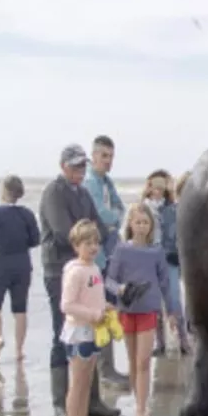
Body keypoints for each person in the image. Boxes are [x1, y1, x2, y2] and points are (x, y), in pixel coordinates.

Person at [40, 145, 118, 416]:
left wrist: (102, 244)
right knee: (63, 334)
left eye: (82, 167)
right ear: (63, 166)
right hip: (60, 270)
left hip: (87, 269)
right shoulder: (53, 192)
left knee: (92, 333)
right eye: (75, 167)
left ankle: (92, 401)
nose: (80, 172)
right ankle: (60, 405)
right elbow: (64, 232)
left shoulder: (83, 192)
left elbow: (96, 225)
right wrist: (86, 242)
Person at [106, 204, 177, 416]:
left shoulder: (156, 252)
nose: (141, 226)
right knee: (133, 362)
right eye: (138, 222)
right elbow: (109, 280)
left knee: (144, 361)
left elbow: (166, 284)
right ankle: (139, 403)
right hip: (126, 310)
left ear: (151, 226)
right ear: (130, 224)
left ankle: (140, 410)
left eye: (146, 222)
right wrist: (120, 289)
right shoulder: (121, 250)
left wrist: (172, 312)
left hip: (149, 311)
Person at [83, 136, 129, 391]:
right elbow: (103, 214)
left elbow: (120, 210)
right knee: (101, 311)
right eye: (104, 157)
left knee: (110, 308)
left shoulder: (106, 182)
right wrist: (112, 221)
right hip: (98, 257)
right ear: (94, 156)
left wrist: (114, 220)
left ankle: (107, 368)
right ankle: (104, 370)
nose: (108, 162)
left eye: (111, 157)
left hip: (110, 255)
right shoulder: (91, 182)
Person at [59, 220, 110, 416]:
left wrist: (106, 308)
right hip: (78, 332)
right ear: (76, 245)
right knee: (77, 384)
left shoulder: (95, 269)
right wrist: (92, 314)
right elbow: (67, 305)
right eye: (87, 243)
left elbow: (95, 297)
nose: (93, 247)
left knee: (87, 382)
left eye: (96, 243)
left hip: (94, 331)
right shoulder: (75, 271)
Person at [0, 175, 40, 364]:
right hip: (22, 264)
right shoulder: (27, 214)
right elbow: (35, 240)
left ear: (4, 190)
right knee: (20, 308)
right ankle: (19, 350)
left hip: (0, 263)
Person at [142, 170, 189, 355]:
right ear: (149, 186)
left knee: (175, 300)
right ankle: (159, 343)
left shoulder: (172, 209)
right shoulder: (143, 208)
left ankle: (183, 340)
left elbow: (178, 234)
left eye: (163, 185)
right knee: (154, 302)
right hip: (150, 258)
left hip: (170, 258)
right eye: (155, 185)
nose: (158, 190)